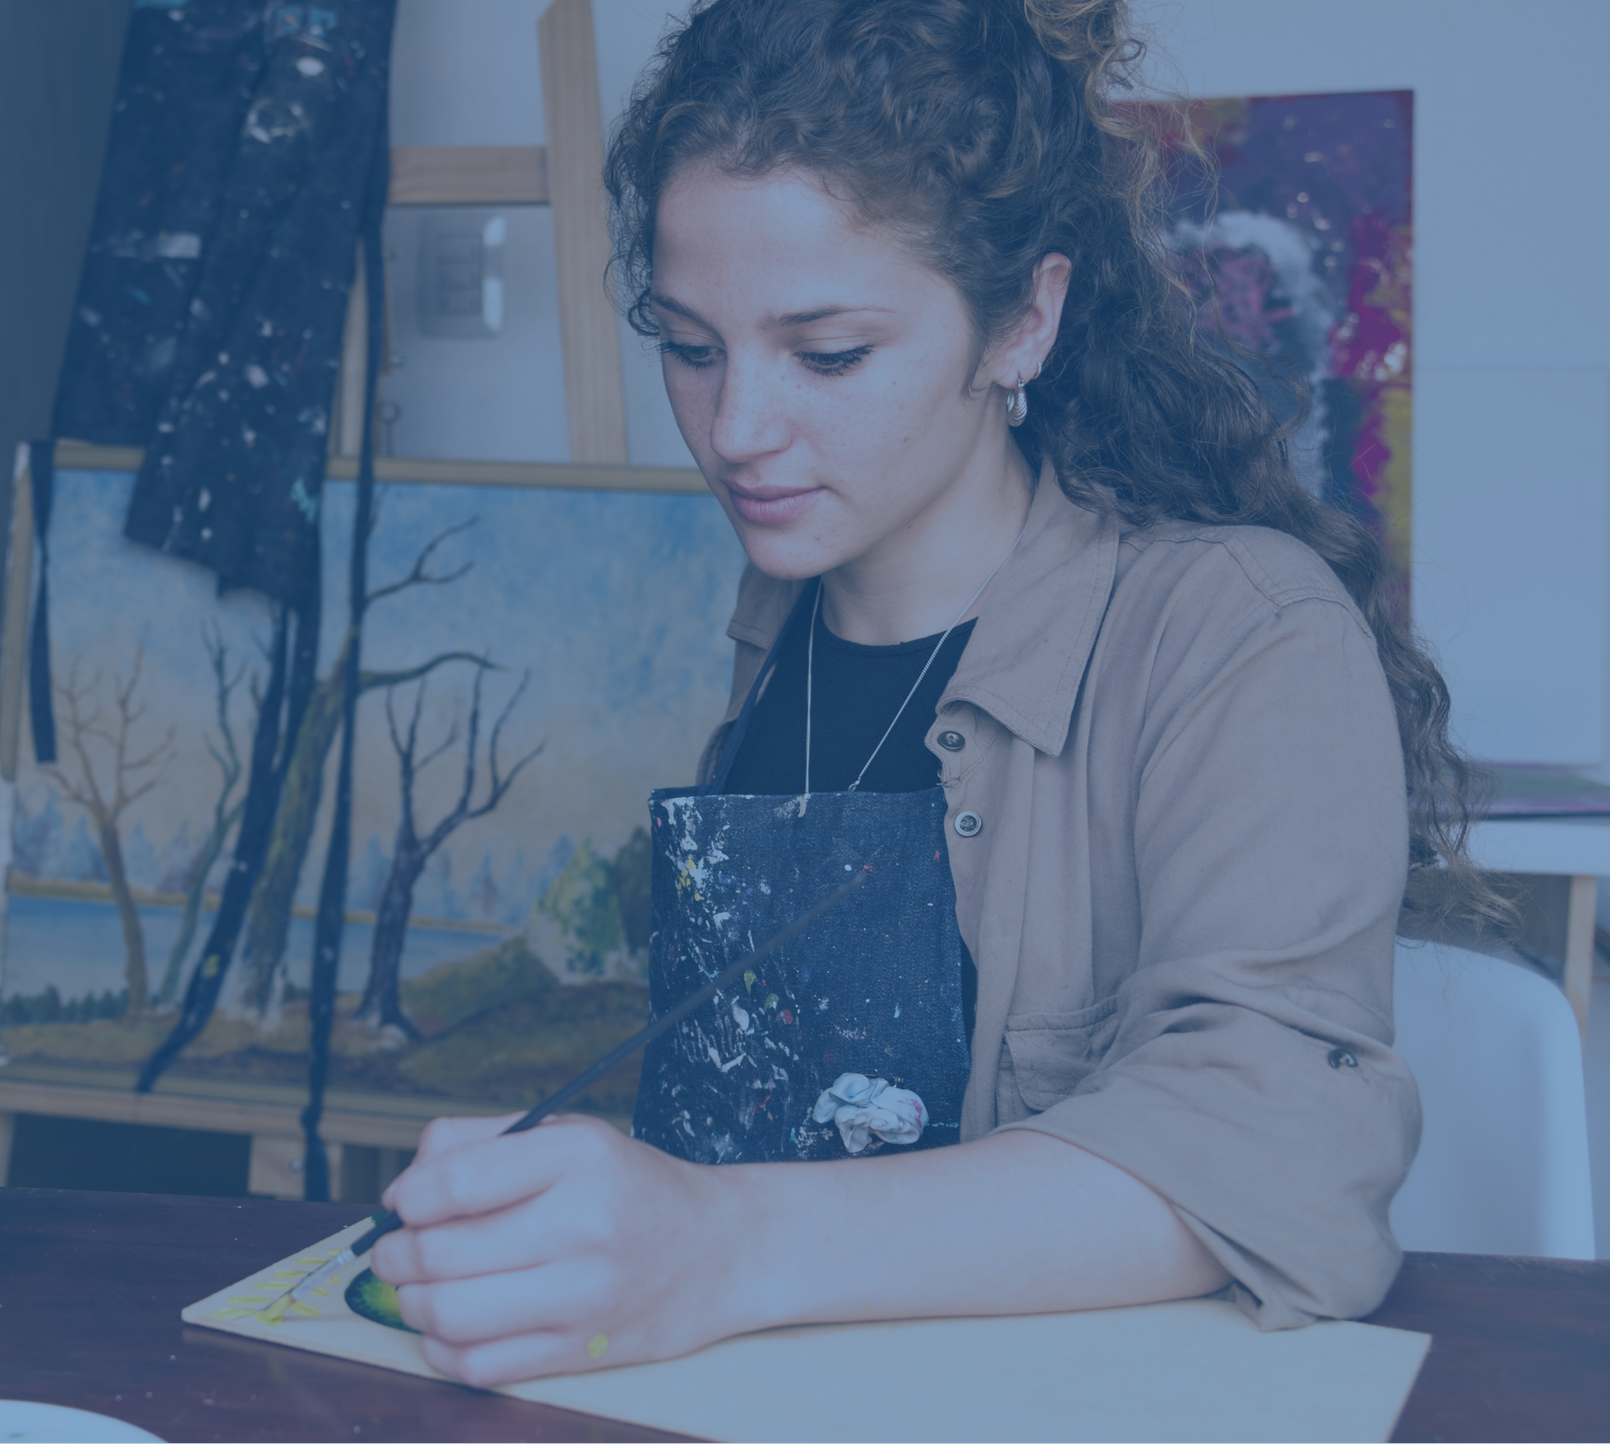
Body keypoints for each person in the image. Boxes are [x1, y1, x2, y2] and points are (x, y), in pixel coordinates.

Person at [367, 0, 1494, 1387]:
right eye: (689, 345)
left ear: (1025, 321)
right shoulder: (777, 619)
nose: (736, 431)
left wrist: (718, 1242)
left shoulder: (1242, 632)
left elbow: (1282, 1148)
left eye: (829, 353)